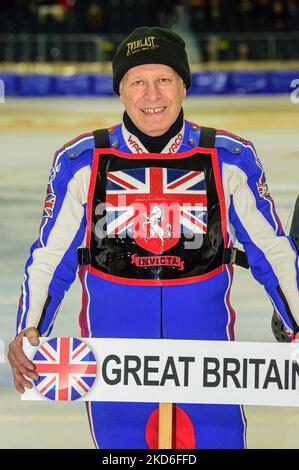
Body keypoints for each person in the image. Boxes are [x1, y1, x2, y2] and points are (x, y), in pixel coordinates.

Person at [8, 26, 299, 449]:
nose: (152, 95)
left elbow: (272, 252)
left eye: (164, 79)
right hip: (116, 366)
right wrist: (28, 330)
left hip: (209, 365)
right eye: (137, 82)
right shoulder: (83, 161)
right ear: (120, 91)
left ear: (183, 85)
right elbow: (52, 258)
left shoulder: (229, 157)